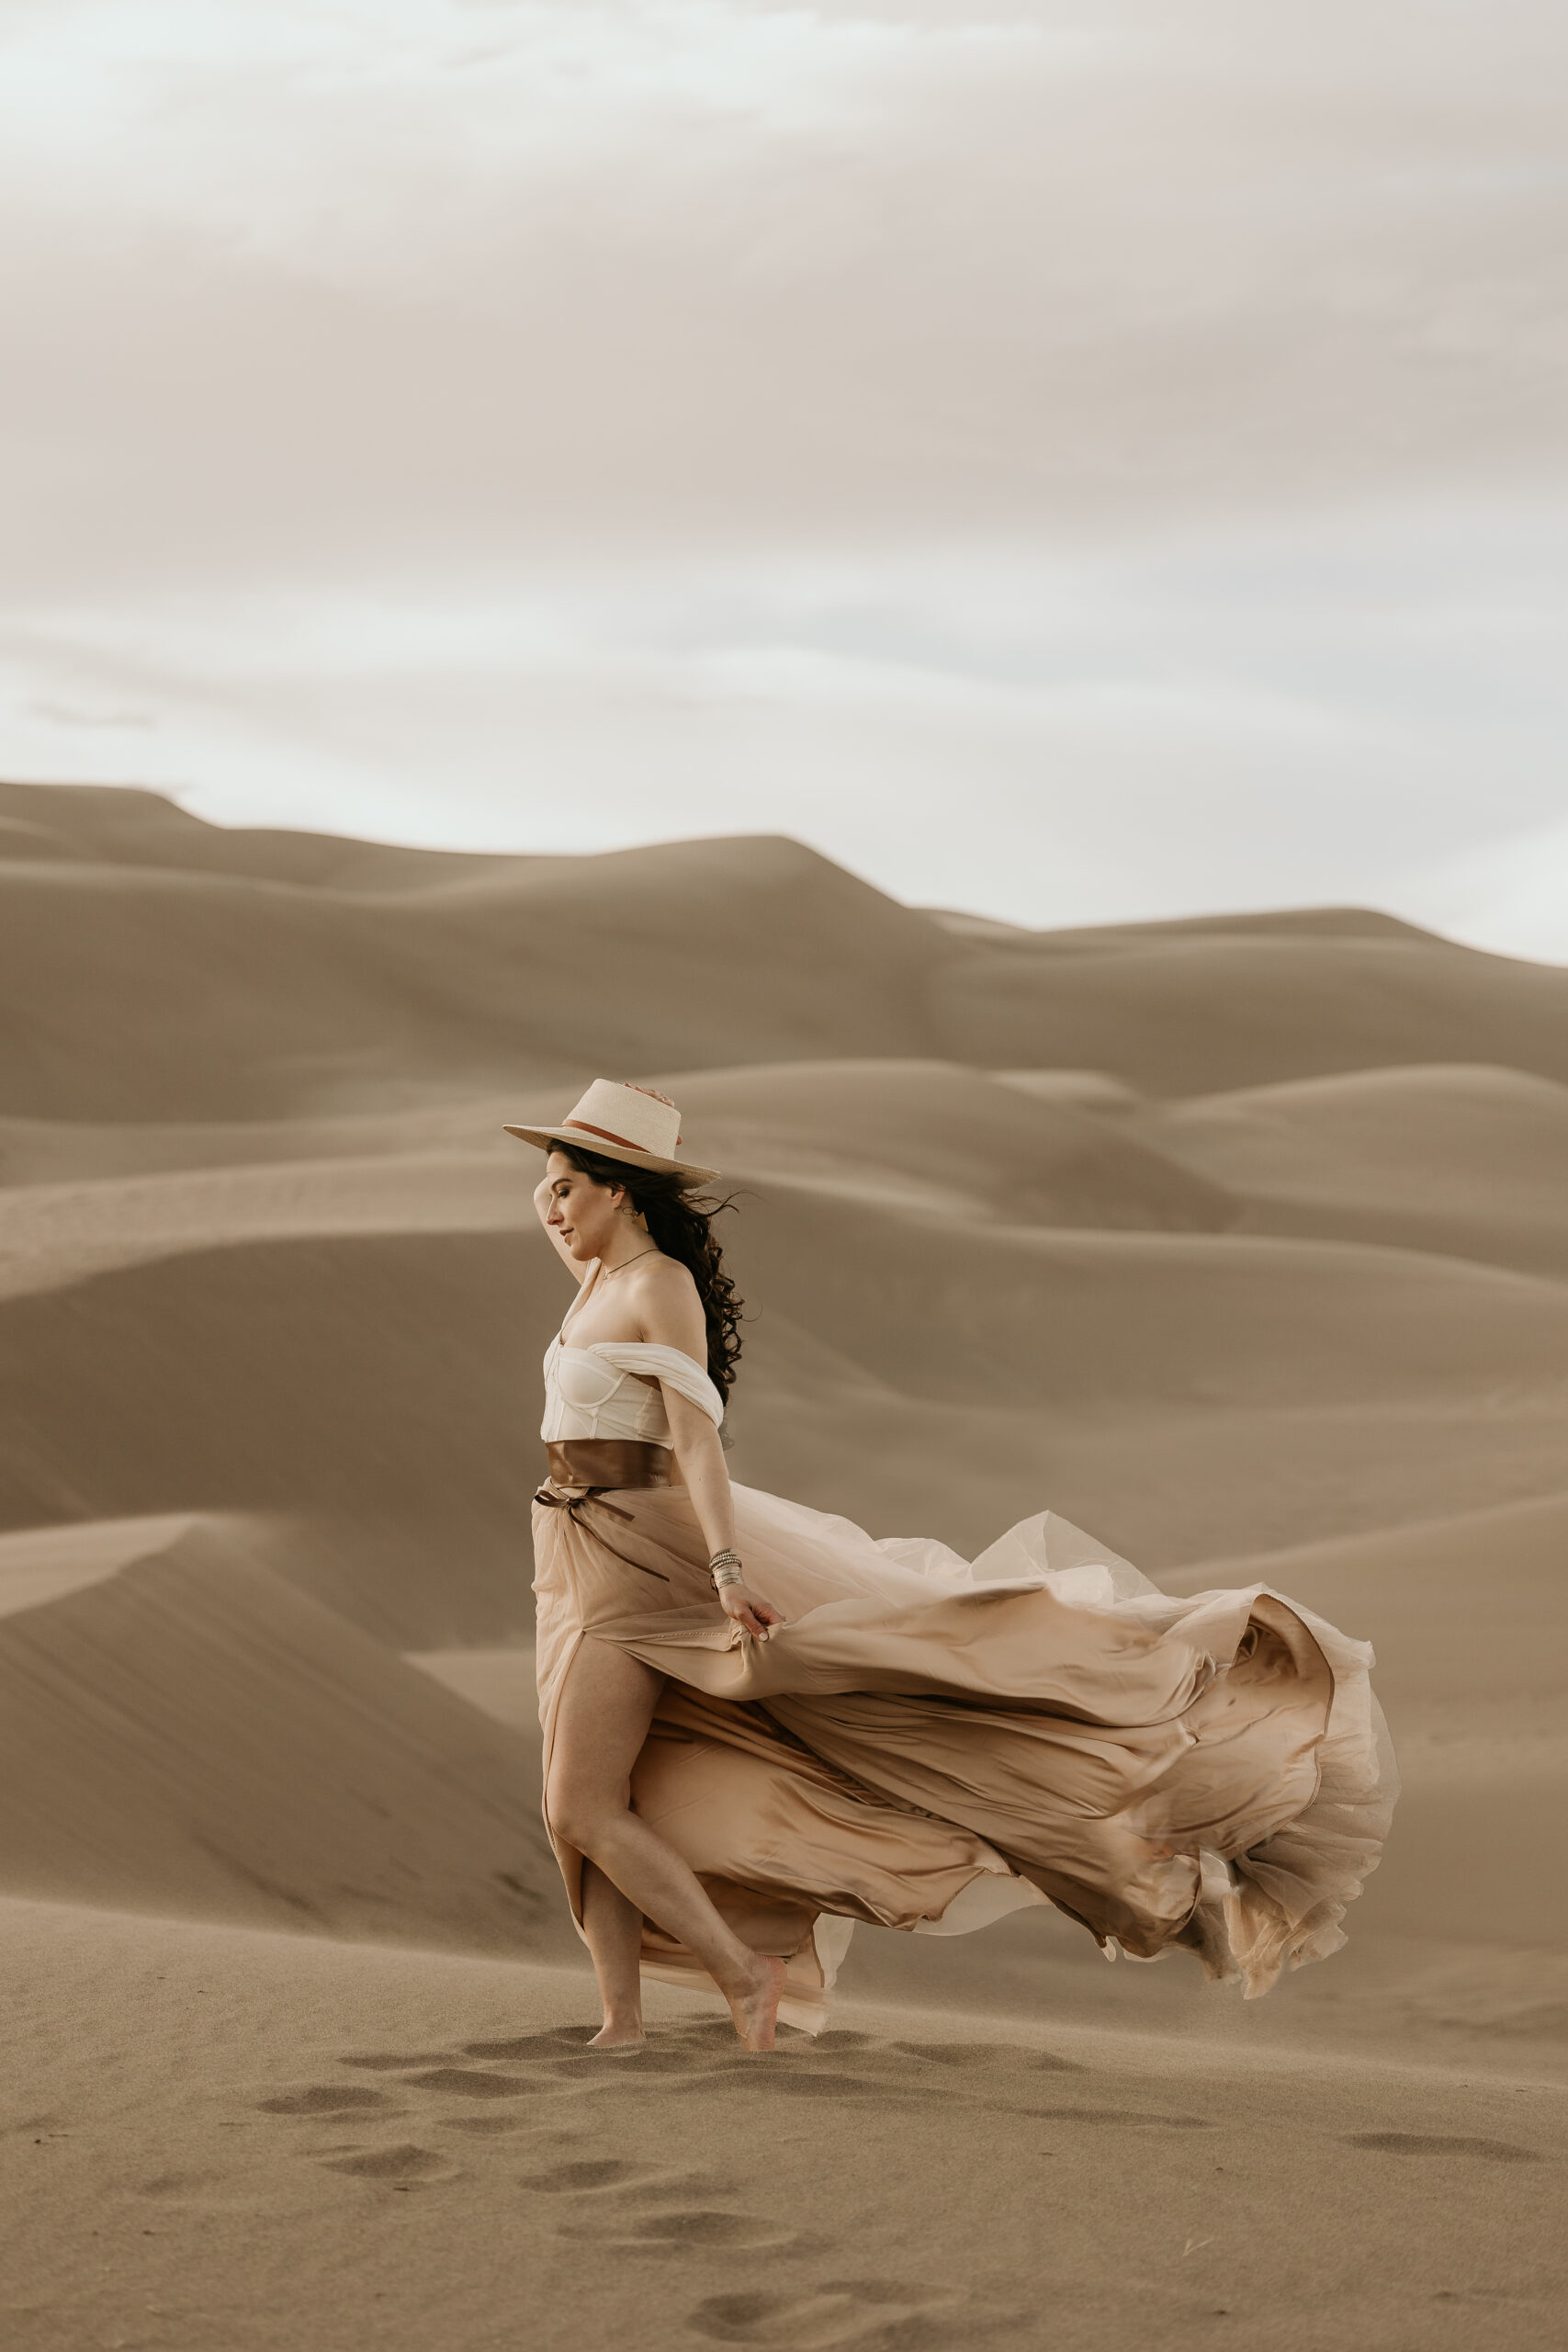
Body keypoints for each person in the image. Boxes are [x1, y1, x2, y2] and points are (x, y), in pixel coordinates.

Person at [509, 1080, 1397, 2055]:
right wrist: (568, 1214)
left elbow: (695, 1441)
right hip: (572, 1544)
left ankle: (740, 1973)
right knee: (595, 1802)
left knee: (580, 1801)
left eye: (566, 1187)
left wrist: (724, 1567)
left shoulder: (655, 1288)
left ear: (623, 1190)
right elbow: (580, 1319)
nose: (548, 1207)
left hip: (640, 1553)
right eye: (543, 1187)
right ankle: (622, 2023)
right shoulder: (593, 1279)